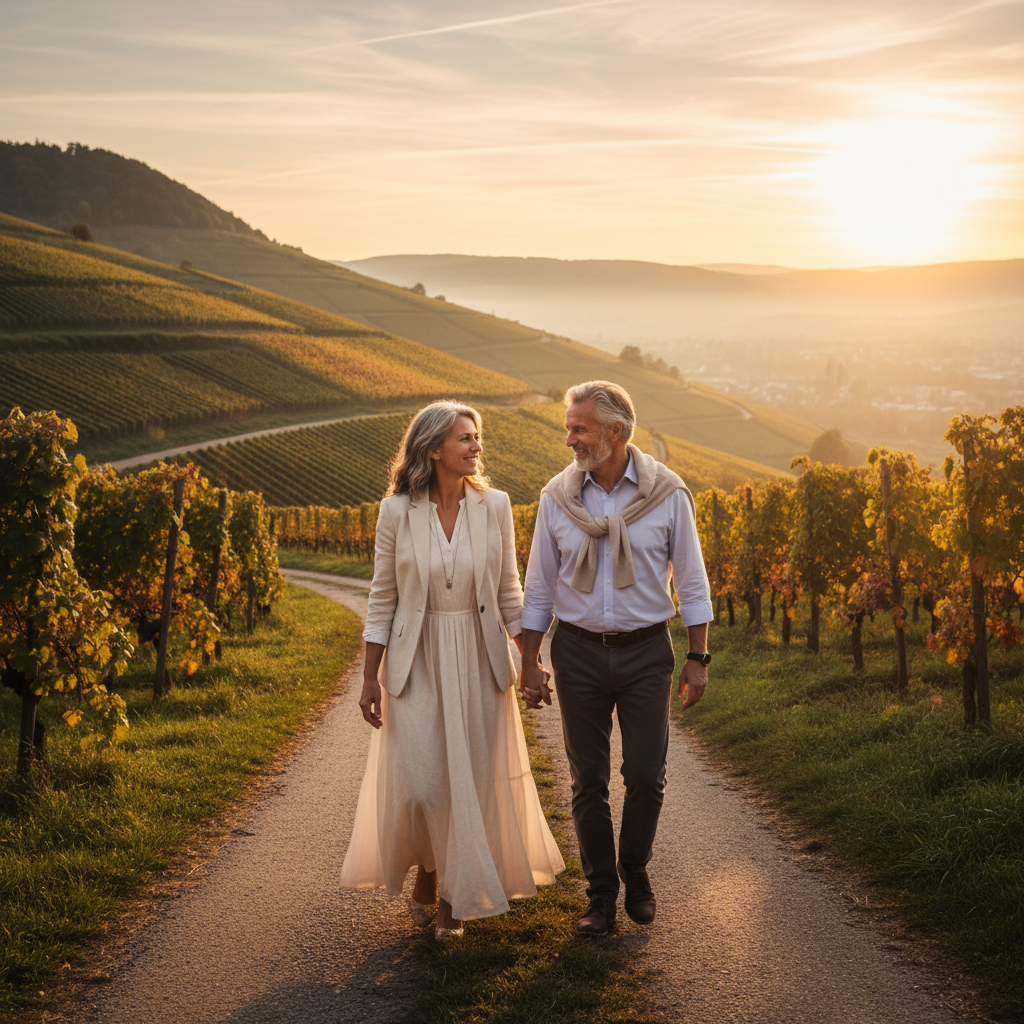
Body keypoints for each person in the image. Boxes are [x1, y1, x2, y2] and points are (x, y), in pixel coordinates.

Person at [340, 401, 564, 941]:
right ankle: (433, 868)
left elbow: (511, 591)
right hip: (415, 659)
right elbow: (382, 597)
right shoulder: (396, 511)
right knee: (423, 785)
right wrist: (369, 679)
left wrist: (530, 663)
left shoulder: (497, 506)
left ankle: (452, 903)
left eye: (476, 437)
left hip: (479, 655)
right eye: (465, 438)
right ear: (433, 446)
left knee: (472, 781)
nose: (475, 446)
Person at [519, 381, 714, 938]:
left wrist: (698, 657)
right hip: (577, 651)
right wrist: (530, 662)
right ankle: (602, 894)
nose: (569, 440)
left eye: (578, 429)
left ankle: (636, 866)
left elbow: (694, 584)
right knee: (587, 781)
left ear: (616, 432)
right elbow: (538, 589)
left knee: (647, 776)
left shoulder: (668, 495)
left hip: (647, 651)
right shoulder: (558, 498)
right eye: (568, 428)